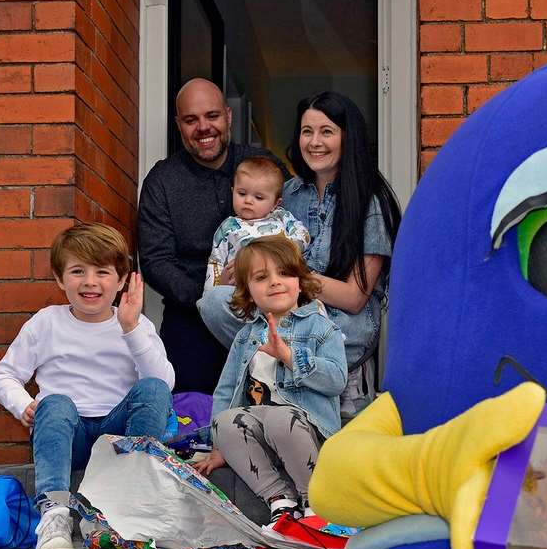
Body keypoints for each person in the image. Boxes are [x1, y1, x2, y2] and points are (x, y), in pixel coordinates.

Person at [200, 91, 400, 416]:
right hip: (284, 314)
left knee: (304, 327)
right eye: (307, 131)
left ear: (347, 137)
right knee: (214, 301)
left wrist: (290, 277)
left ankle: (282, 375)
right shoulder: (288, 194)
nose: (314, 142)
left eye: (326, 131)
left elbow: (354, 297)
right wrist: (241, 273)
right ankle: (276, 373)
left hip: (341, 327)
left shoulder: (370, 202)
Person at [0, 223, 175, 549]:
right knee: (56, 402)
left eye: (102, 272)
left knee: (151, 388)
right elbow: (3, 375)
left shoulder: (135, 323)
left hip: (117, 438)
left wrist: (131, 329)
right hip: (67, 436)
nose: (90, 281)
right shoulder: (46, 323)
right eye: (78, 271)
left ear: (120, 281)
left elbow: (163, 384)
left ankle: (123, 508)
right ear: (61, 279)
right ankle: (55, 515)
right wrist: (23, 404)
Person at [138, 78, 285, 393]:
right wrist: (209, 294)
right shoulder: (162, 181)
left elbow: (290, 235)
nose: (203, 127)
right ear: (179, 125)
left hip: (265, 314)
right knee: (191, 419)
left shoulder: (264, 167)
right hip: (191, 318)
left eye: (212, 116)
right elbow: (155, 261)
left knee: (267, 414)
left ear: (228, 117)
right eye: (191, 120)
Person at [192, 235, 347, 526]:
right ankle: (280, 500)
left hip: (308, 429)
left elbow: (337, 379)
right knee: (224, 420)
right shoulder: (245, 336)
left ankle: (316, 501)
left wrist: (290, 356)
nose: (275, 282)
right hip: (262, 427)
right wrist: (218, 446)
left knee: (279, 418)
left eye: (285, 273)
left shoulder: (321, 328)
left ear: (300, 282)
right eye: (262, 277)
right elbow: (226, 389)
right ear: (248, 292)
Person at [200, 156, 309, 292]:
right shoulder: (228, 227)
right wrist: (218, 286)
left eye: (258, 197)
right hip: (243, 292)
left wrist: (290, 249)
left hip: (279, 288)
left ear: (276, 203)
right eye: (242, 193)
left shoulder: (281, 217)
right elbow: (215, 262)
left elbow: (303, 233)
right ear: (232, 191)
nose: (248, 201)